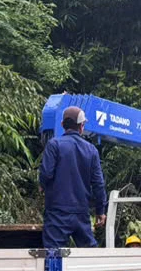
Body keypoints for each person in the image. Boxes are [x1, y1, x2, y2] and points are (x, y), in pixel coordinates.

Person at [39, 105, 106, 248]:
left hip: (57, 212)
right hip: (82, 213)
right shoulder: (91, 150)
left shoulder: (54, 144)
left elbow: (46, 173)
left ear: (62, 125)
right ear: (82, 126)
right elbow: (98, 183)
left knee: (54, 256)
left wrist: (42, 185)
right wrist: (100, 211)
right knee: (88, 255)